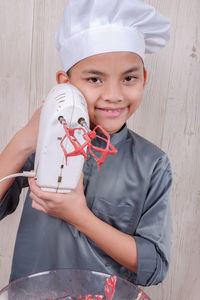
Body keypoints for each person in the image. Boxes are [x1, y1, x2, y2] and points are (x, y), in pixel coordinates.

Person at [0, 0, 172, 287]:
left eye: (129, 78)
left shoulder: (152, 163)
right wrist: (23, 141)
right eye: (95, 79)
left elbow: (153, 266)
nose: (114, 95)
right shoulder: (44, 141)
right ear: (64, 83)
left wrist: (78, 215)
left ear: (144, 80)